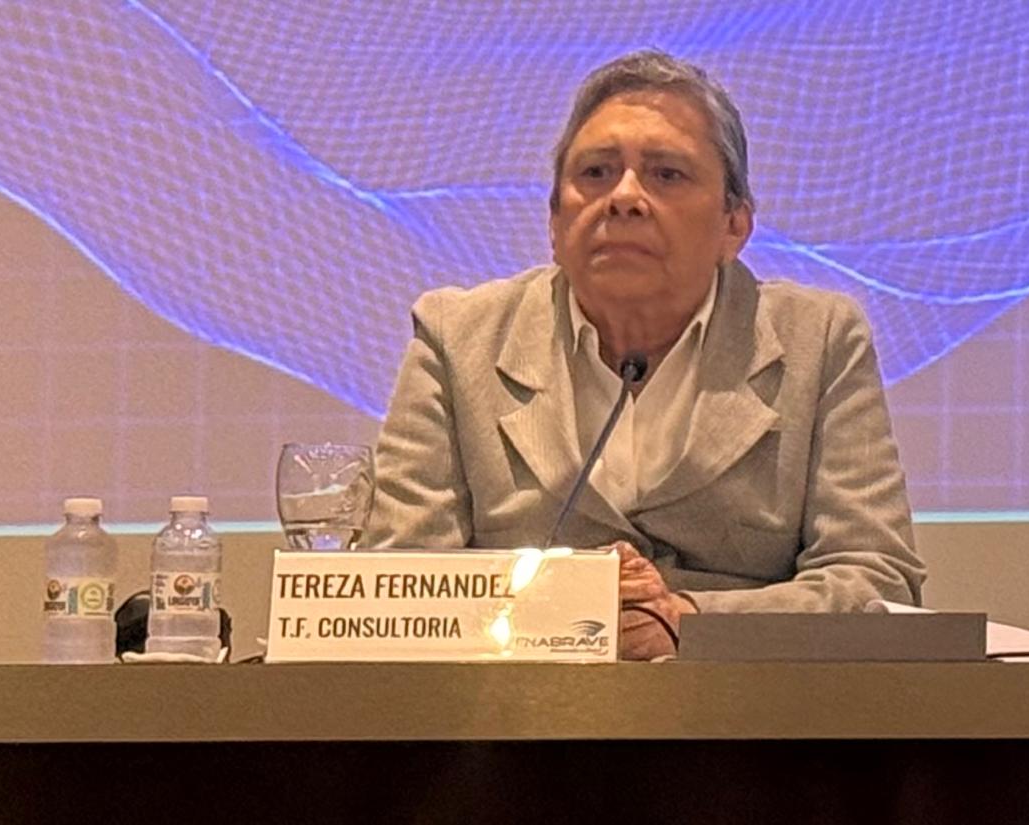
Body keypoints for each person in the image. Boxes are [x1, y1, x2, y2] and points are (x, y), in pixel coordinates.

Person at [359, 50, 926, 659]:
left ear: (734, 226)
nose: (624, 197)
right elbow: (397, 586)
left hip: (746, 705)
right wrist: (563, 611)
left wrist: (689, 620)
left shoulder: (820, 339)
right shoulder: (457, 338)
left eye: (667, 175)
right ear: (555, 223)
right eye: (596, 173)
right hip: (514, 704)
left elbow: (878, 581)